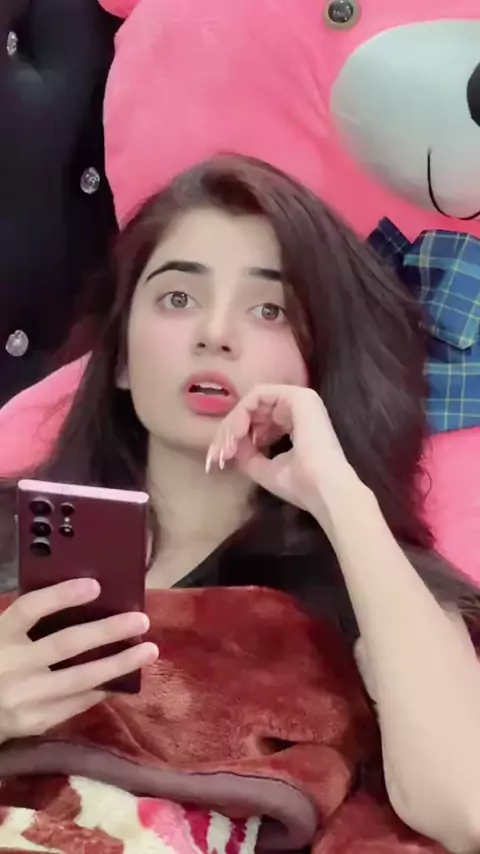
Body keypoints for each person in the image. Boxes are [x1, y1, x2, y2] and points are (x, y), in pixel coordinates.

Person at [0, 154, 479, 854]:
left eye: (269, 310)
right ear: (122, 357)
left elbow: (468, 807)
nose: (215, 333)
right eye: (178, 298)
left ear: (319, 363)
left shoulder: (376, 592)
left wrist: (342, 497)